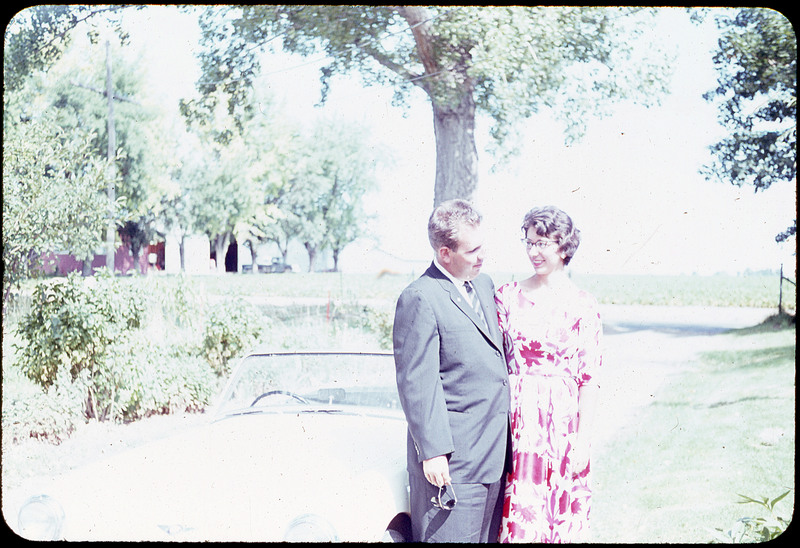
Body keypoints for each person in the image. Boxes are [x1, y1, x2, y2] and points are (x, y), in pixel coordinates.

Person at [393, 199, 511, 543]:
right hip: (453, 465)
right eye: (472, 251)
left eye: (482, 246)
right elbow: (418, 383)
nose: (482, 256)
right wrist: (433, 452)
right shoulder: (420, 297)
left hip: (493, 458)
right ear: (445, 254)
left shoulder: (484, 285)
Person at [496, 205, 603, 543]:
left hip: (561, 425)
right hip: (516, 422)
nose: (533, 252)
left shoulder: (583, 304)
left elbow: (589, 379)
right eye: (529, 243)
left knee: (558, 514)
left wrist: (582, 441)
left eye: (542, 243)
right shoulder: (506, 297)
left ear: (564, 246)